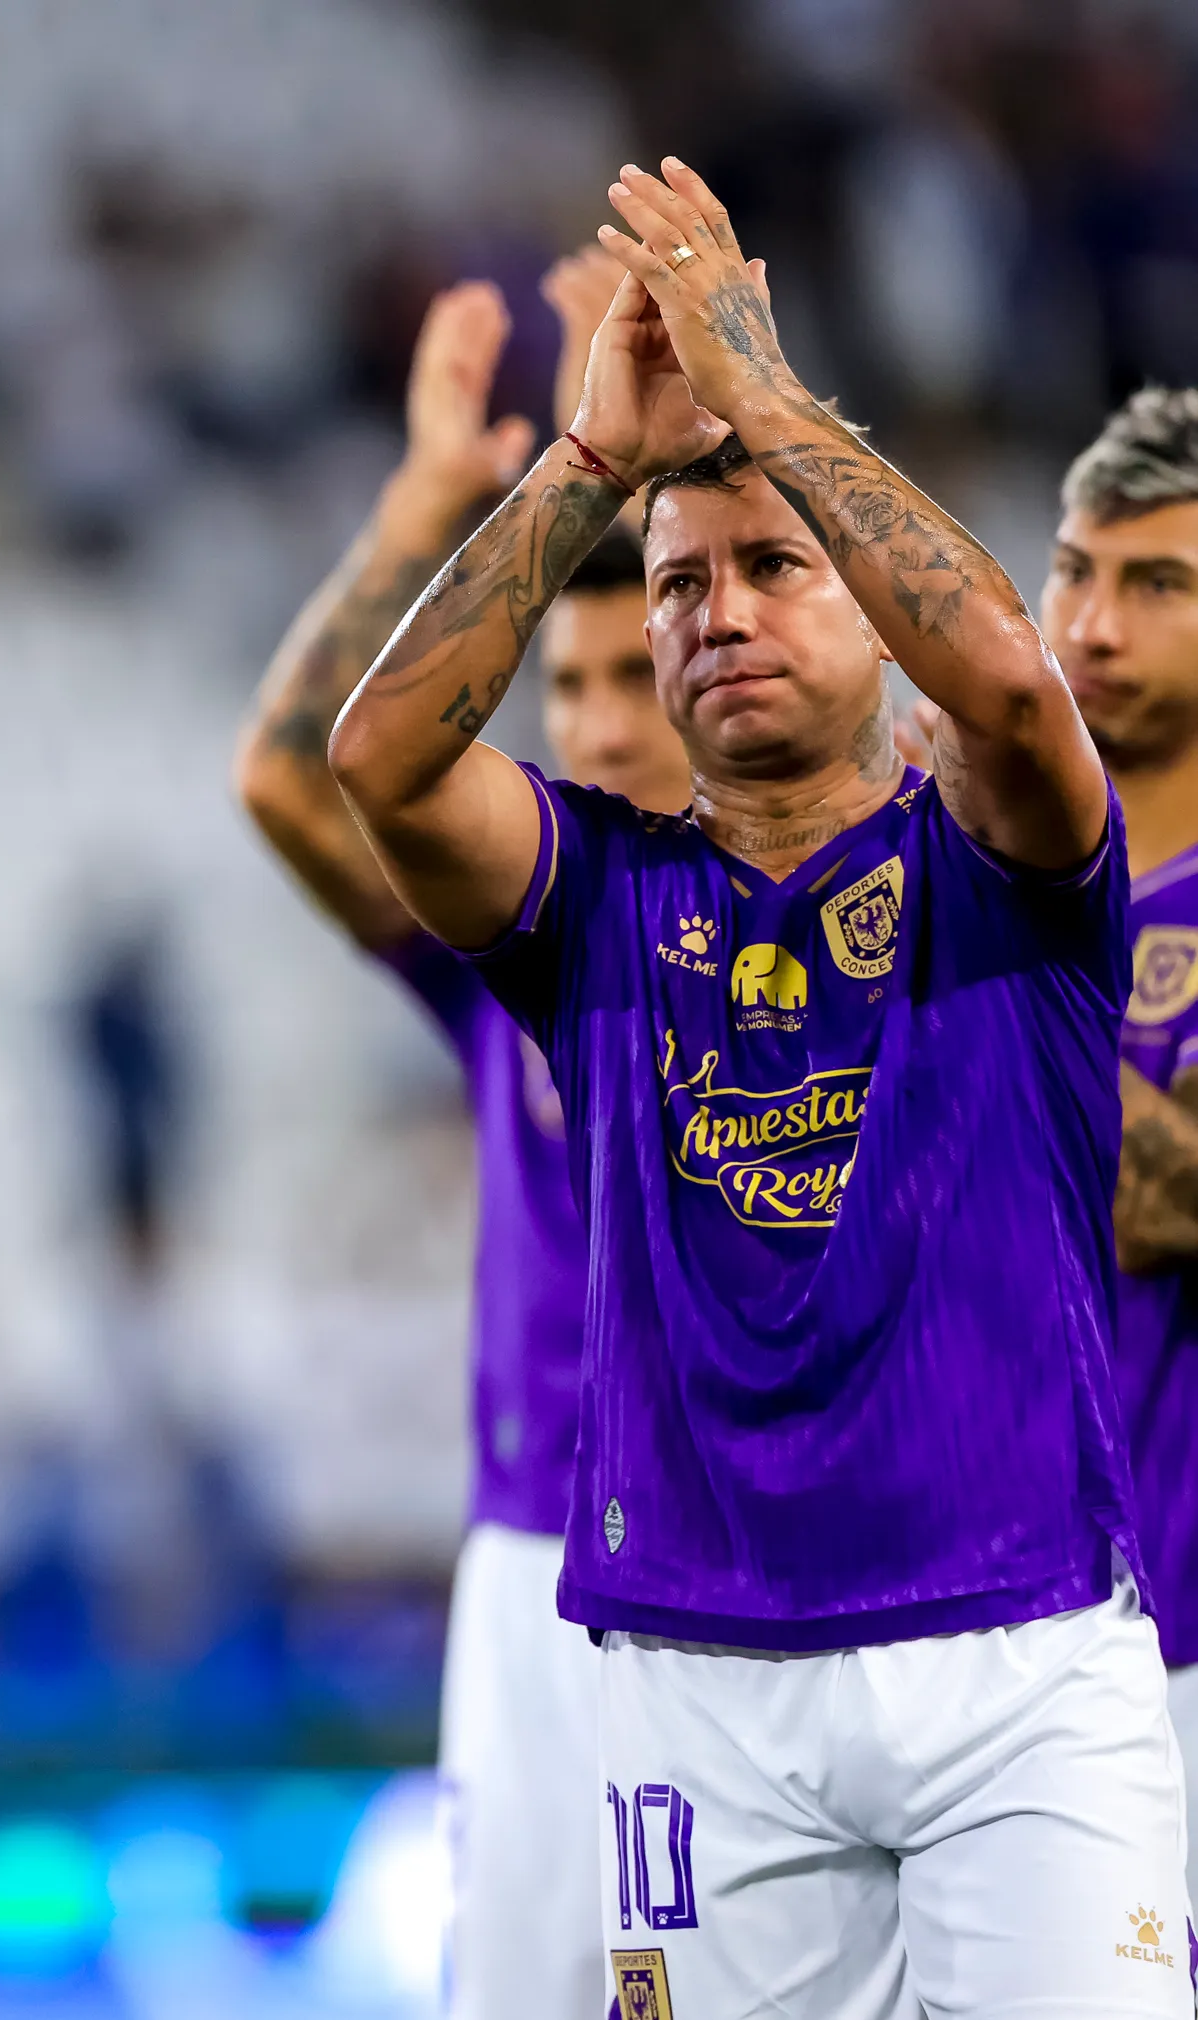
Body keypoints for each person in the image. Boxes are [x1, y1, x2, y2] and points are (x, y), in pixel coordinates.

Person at [329, 157, 1184, 2014]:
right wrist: (583, 472)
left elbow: (1024, 700)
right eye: (677, 587)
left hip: (1018, 1659)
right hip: (699, 1688)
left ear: (869, 616)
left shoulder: (1011, 876)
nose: (713, 613)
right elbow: (380, 760)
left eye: (772, 569)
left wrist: (772, 410)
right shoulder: (598, 906)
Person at [232, 248, 684, 2020]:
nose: (584, 728)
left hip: (766, 1552)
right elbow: (286, 776)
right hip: (535, 1555)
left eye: (624, 684)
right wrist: (428, 505)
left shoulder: (848, 933)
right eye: (560, 693)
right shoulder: (518, 949)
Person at [1051, 387, 1198, 1924]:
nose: (1093, 620)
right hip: (1004, 1629)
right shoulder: (984, 873)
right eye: (1072, 568)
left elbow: (1170, 1202)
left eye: (1155, 583)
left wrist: (1000, 976)